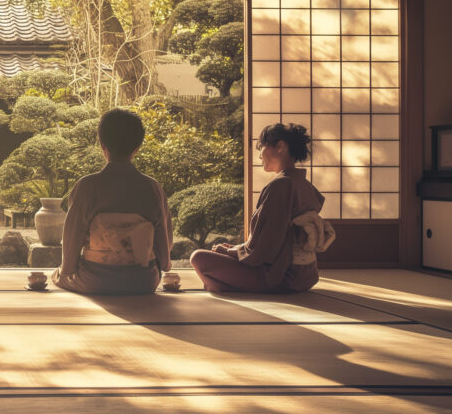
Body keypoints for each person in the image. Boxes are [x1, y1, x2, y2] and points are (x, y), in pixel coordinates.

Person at [190, 123, 332, 294]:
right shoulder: (304, 185)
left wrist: (231, 252)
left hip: (279, 276)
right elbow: (273, 239)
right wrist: (231, 250)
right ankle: (220, 286)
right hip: (305, 275)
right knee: (218, 260)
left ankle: (221, 287)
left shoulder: (281, 186)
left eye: (261, 147)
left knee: (198, 257)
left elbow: (263, 251)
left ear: (280, 147)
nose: (259, 155)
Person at [52, 109, 172, 295]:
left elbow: (72, 237)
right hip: (144, 281)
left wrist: (66, 270)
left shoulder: (87, 186)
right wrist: (164, 264)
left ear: (102, 145)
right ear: (137, 148)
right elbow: (164, 256)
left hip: (94, 281)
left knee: (56, 275)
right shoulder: (152, 187)